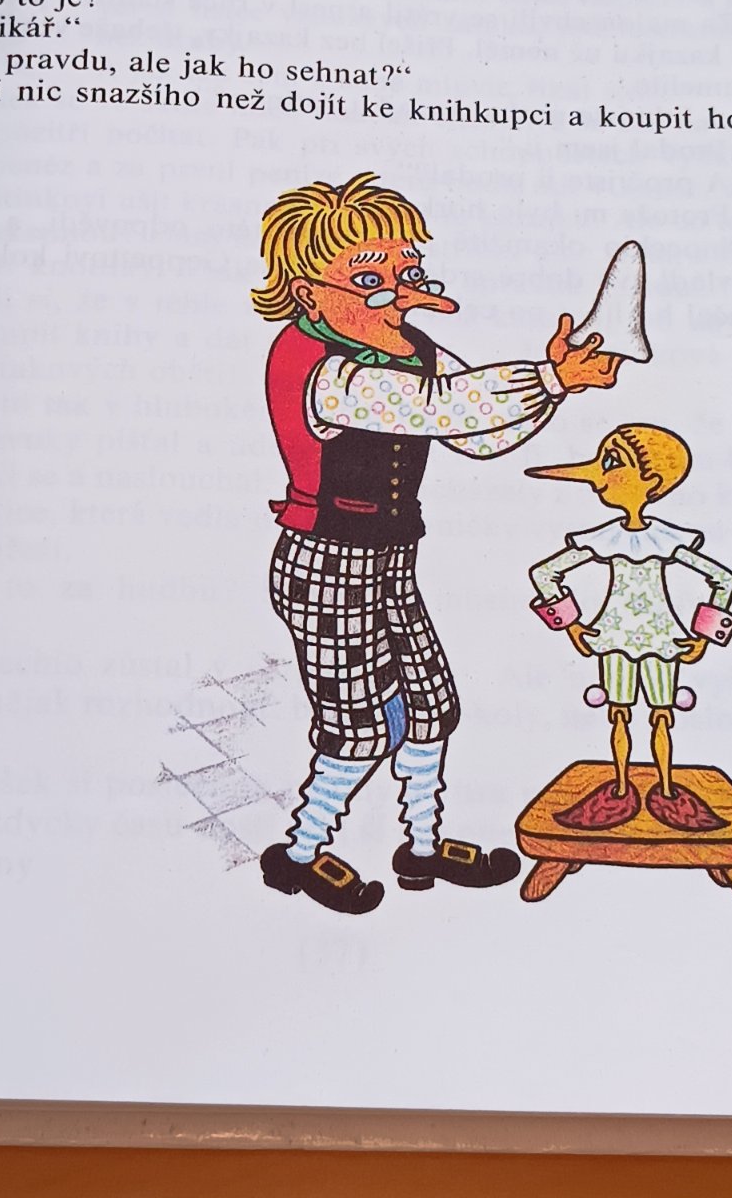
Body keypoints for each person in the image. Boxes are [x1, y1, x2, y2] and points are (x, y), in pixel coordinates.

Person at [253, 171, 622, 914]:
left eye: (408, 271)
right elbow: (442, 408)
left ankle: (422, 847)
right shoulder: (323, 368)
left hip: (391, 560)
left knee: (430, 704)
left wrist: (555, 387)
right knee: (358, 728)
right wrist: (547, 377)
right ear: (308, 294)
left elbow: (479, 435)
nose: (400, 291)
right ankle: (299, 854)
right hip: (326, 565)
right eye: (370, 279)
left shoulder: (409, 348)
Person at [526, 424, 732, 831]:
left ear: (651, 483)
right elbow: (544, 574)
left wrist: (703, 638)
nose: (596, 474)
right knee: (620, 715)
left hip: (662, 637)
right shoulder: (604, 538)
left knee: (660, 716)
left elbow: (724, 580)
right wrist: (572, 626)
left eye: (611, 462)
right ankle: (621, 788)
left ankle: (667, 790)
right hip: (614, 636)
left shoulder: (666, 539)